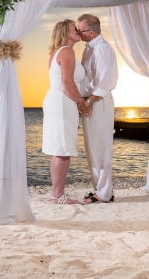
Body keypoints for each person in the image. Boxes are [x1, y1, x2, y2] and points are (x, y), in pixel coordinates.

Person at [42, 19, 91, 205]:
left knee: (59, 148)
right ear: (64, 32)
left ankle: (56, 193)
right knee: (62, 149)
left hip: (59, 100)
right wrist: (82, 104)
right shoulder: (67, 51)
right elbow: (68, 83)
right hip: (63, 100)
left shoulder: (57, 53)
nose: (78, 30)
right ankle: (58, 195)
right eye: (73, 28)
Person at [77, 13, 119, 204]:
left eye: (81, 29)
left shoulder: (101, 49)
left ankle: (104, 193)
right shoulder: (89, 48)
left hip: (98, 102)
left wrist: (89, 103)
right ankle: (101, 190)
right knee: (92, 148)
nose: (78, 32)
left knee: (100, 148)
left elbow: (103, 82)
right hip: (91, 101)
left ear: (91, 32)